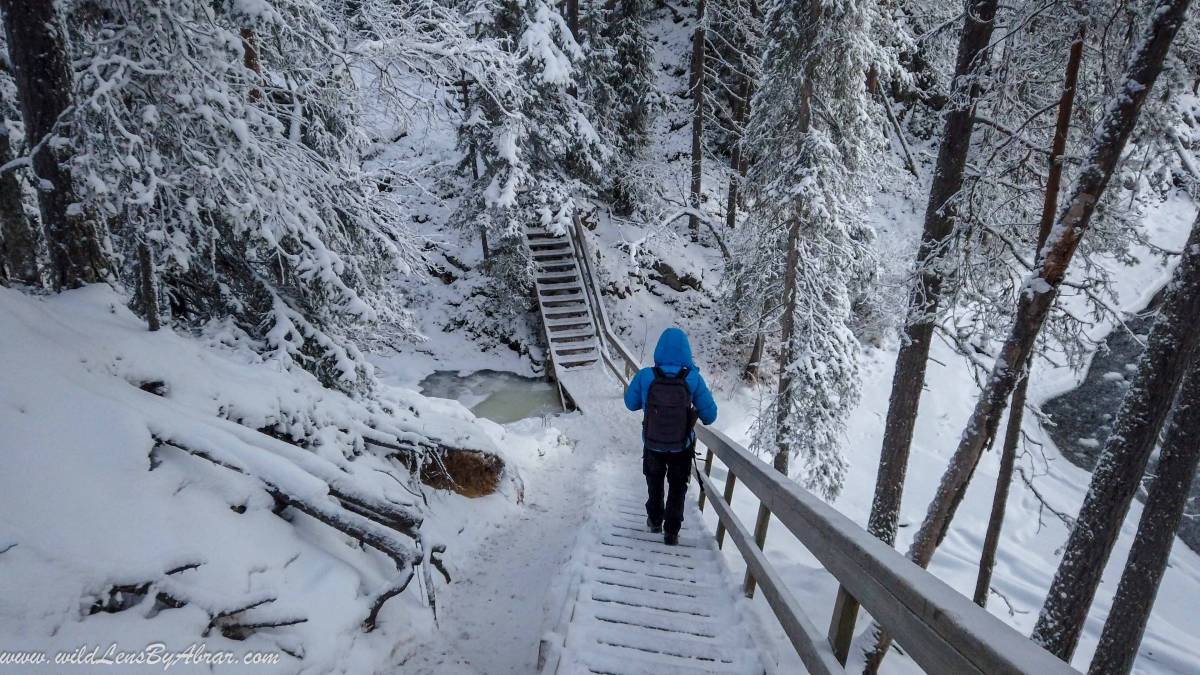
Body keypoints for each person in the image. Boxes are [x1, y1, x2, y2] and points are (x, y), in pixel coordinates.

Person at [623, 327, 718, 545]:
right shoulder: (693, 378)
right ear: (685, 351)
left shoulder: (646, 375)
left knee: (654, 481)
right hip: (681, 445)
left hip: (653, 443)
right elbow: (710, 416)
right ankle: (672, 531)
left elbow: (630, 404)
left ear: (659, 350)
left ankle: (655, 520)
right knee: (677, 486)